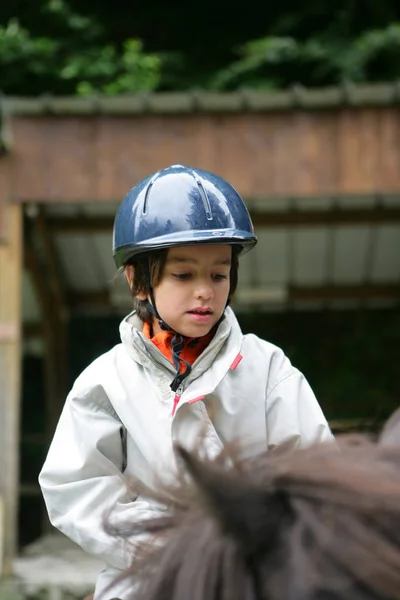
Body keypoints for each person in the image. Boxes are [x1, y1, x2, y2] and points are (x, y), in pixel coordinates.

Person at [39, 164, 333, 599]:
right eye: (183, 275)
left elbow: (316, 471)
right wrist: (167, 546)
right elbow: (75, 488)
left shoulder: (268, 367)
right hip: (147, 578)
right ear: (138, 280)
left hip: (257, 575)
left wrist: (260, 538)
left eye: (218, 274)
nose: (205, 291)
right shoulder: (104, 381)